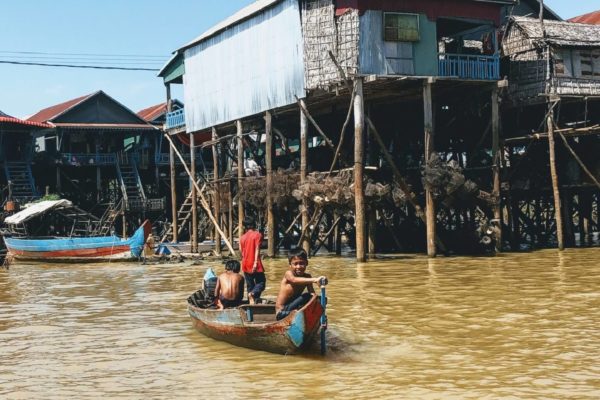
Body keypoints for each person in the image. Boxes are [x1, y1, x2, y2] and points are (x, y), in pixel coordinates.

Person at [275, 248, 326, 321]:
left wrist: (319, 300)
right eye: (295, 264)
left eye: (301, 263)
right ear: (290, 265)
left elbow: (312, 294)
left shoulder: (307, 277)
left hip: (294, 309)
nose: (298, 267)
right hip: (282, 313)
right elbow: (294, 280)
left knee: (317, 298)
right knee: (306, 296)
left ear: (306, 263)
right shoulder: (288, 274)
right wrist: (315, 280)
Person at [239, 216, 265, 304]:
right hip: (254, 262)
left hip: (245, 263)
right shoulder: (258, 235)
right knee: (261, 282)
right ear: (254, 224)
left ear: (245, 226)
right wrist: (255, 263)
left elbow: (242, 252)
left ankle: (252, 303)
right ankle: (253, 295)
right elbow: (257, 249)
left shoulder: (242, 237)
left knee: (250, 285)